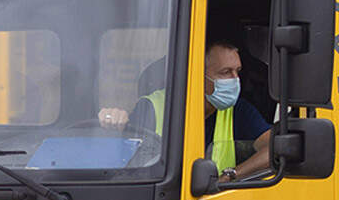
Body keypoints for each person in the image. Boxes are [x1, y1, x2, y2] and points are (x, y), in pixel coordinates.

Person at [98, 39, 271, 180]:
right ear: (197, 75)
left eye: (237, 71)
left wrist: (231, 175)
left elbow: (273, 149)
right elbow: (125, 160)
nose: (235, 80)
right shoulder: (152, 107)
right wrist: (114, 124)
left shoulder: (238, 110)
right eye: (225, 72)